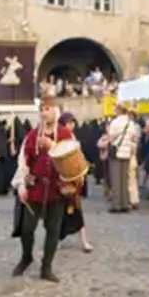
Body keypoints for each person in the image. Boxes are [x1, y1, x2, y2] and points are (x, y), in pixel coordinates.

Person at [13, 97, 75, 282]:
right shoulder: (32, 135)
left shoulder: (65, 135)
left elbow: (72, 158)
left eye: (47, 109)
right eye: (42, 109)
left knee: (53, 229)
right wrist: (21, 185)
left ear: (56, 111)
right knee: (27, 228)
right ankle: (26, 257)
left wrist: (52, 146)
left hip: (57, 189)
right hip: (35, 187)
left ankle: (46, 267)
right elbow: (23, 162)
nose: (43, 112)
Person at [57, 112, 94, 253]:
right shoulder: (60, 137)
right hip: (64, 178)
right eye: (69, 123)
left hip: (75, 178)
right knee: (61, 210)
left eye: (73, 123)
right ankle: (58, 238)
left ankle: (84, 240)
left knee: (77, 208)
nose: (72, 126)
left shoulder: (73, 137)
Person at [105, 104, 138, 213]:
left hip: (117, 152)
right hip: (127, 152)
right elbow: (134, 137)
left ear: (118, 110)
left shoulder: (115, 122)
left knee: (116, 179)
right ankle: (125, 203)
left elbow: (110, 138)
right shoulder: (130, 123)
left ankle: (117, 204)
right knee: (125, 179)